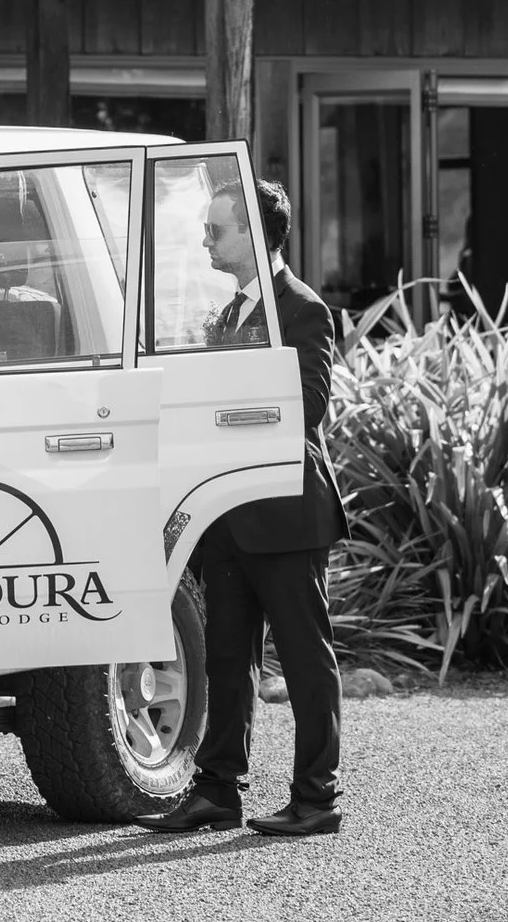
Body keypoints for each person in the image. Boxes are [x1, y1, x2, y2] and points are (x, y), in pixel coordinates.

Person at [141, 178, 348, 838]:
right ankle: (216, 791)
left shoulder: (304, 309)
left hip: (287, 514)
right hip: (225, 515)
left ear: (254, 236)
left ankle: (317, 798)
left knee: (306, 660)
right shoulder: (226, 312)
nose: (205, 239)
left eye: (217, 230)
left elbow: (309, 408)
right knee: (227, 662)